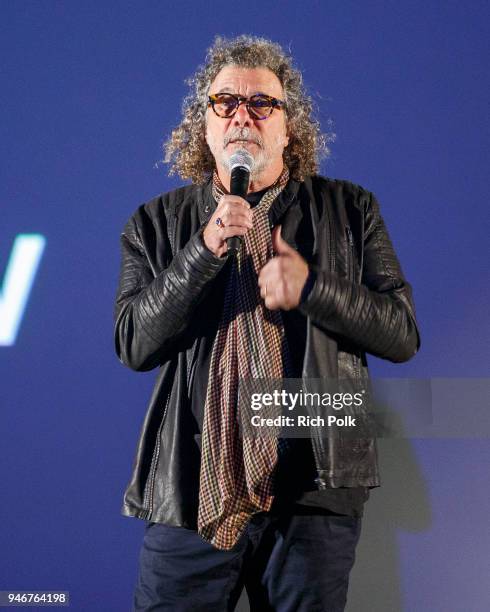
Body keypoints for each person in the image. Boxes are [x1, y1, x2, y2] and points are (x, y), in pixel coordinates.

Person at [114, 35, 420, 612]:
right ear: (203, 127)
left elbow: (402, 333)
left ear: (288, 128)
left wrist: (313, 288)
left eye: (261, 104)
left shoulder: (351, 211)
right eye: (224, 102)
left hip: (311, 486)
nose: (241, 117)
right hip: (191, 490)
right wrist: (202, 251)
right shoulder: (155, 224)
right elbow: (133, 343)